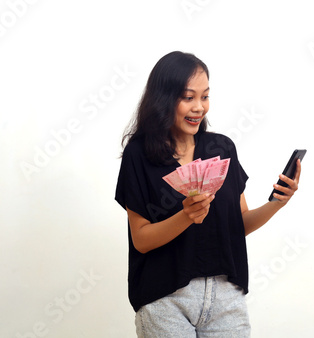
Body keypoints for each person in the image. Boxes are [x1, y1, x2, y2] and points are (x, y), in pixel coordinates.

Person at [115, 51, 301, 337]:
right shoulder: (139, 155)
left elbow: (238, 225)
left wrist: (277, 203)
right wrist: (187, 216)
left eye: (205, 96)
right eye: (188, 97)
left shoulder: (221, 148)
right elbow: (141, 239)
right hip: (166, 298)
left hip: (226, 297)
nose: (199, 108)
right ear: (164, 99)